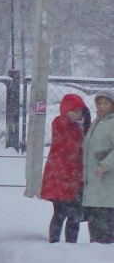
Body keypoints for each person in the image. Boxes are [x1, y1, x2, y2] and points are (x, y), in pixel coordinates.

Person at [39, 93, 90, 243]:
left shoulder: (83, 126)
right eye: (73, 109)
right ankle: (54, 242)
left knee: (74, 215)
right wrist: (68, 116)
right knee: (59, 213)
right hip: (61, 177)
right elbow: (61, 123)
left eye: (79, 110)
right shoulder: (60, 123)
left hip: (75, 177)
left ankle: (71, 243)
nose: (77, 113)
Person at [82, 92, 114, 244]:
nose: (101, 107)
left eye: (105, 103)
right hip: (94, 181)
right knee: (95, 219)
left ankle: (105, 249)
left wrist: (105, 165)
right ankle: (95, 248)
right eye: (99, 103)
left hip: (108, 180)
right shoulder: (97, 122)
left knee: (106, 219)